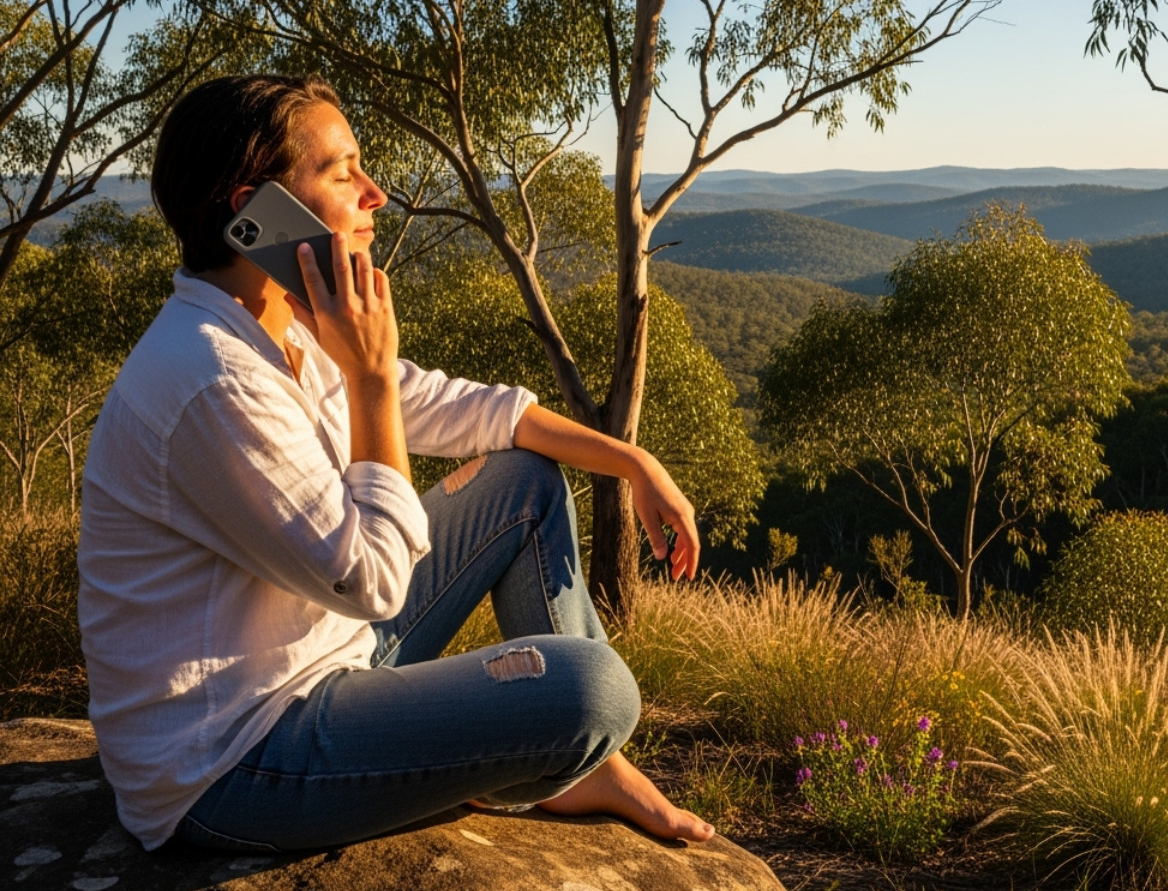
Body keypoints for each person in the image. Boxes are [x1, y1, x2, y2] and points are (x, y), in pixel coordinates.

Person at [76, 74, 714, 853]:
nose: (376, 194)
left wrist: (632, 461)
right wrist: (370, 379)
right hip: (234, 763)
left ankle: (582, 770)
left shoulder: (284, 325)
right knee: (595, 690)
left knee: (525, 483)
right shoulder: (211, 381)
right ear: (254, 215)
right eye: (343, 173)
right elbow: (375, 578)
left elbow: (467, 411)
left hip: (323, 660)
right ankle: (555, 755)